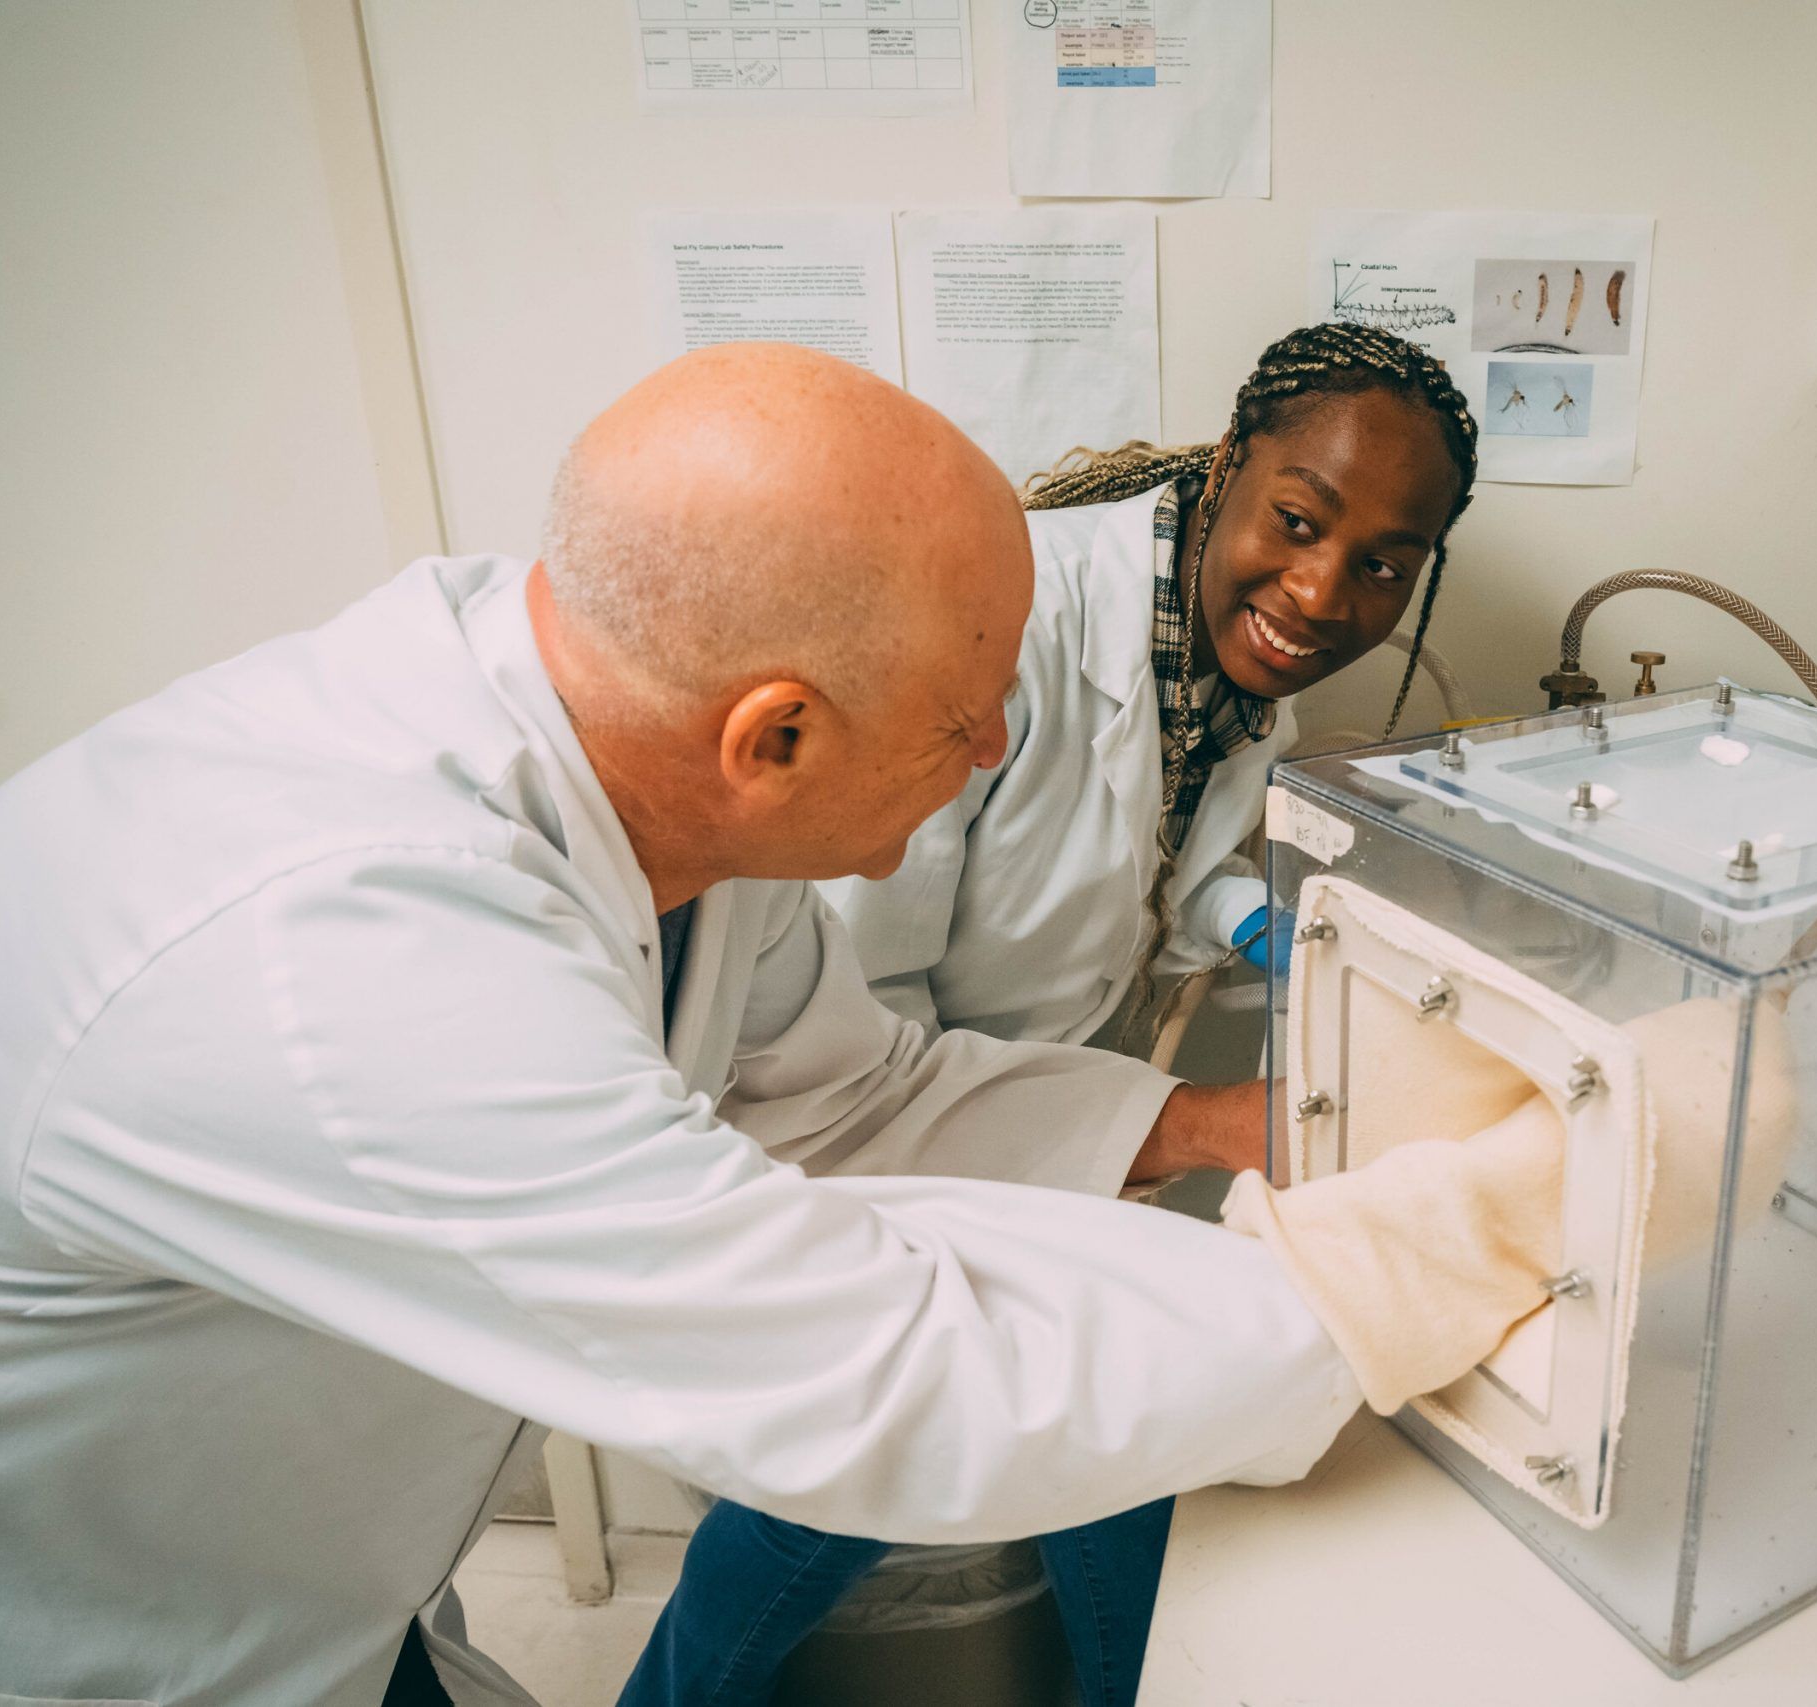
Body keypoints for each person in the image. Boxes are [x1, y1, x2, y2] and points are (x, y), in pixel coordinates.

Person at [0, 345, 1551, 1707]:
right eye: (968, 719)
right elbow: (868, 1372)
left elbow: (849, 1095)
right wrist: (1431, 1257)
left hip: (320, 1581)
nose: (1004, 749)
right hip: (110, 1652)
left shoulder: (627, 769)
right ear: (779, 736)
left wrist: (1216, 1126)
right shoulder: (349, 955)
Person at [625, 324, 1479, 1707]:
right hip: (883, 1118)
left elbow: (1160, 869)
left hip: (1027, 1107)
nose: (1323, 591)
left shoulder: (1234, 663)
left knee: (1125, 1436)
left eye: (1383, 563)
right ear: (1230, 468)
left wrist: (1249, 920)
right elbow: (864, 991)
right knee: (841, 1477)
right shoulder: (1008, 628)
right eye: (1299, 520)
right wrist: (1095, 1160)